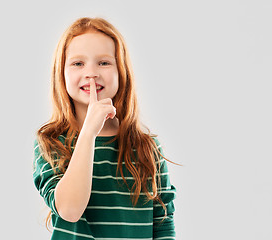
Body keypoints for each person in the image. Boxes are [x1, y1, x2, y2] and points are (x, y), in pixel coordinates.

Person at [33, 17, 177, 239]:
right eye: (78, 63)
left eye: (104, 63)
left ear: (122, 72)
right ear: (61, 73)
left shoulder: (147, 148)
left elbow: (163, 225)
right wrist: (89, 131)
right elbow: (70, 210)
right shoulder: (51, 142)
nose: (91, 72)